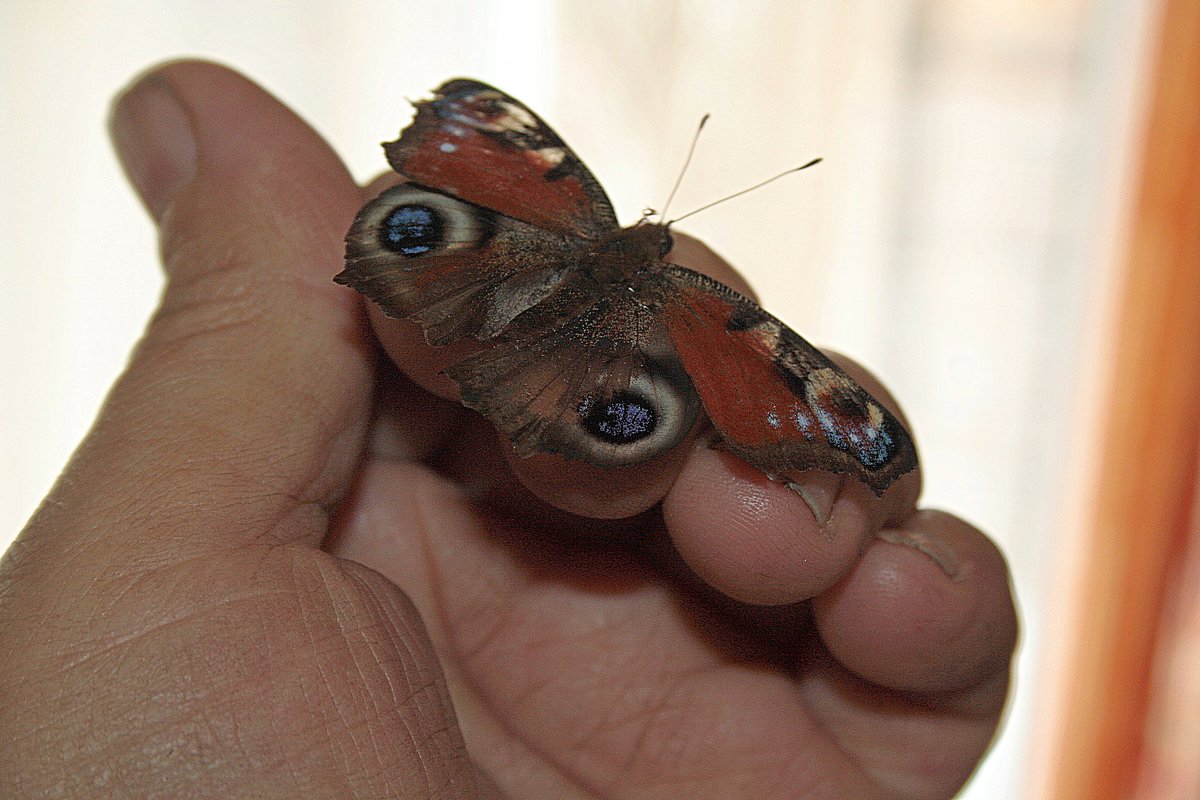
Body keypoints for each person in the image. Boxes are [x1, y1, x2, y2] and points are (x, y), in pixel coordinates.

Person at [0, 61, 1017, 799]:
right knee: (659, 424)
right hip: (599, 362)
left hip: (508, 275)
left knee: (682, 451)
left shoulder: (578, 207)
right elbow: (460, 123)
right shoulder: (708, 310)